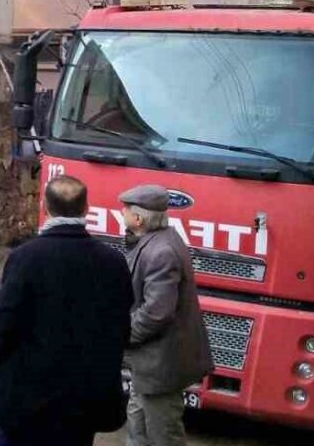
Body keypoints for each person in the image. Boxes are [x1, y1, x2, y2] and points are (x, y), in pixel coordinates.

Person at [0, 175, 132, 445]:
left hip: (26, 399)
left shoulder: (25, 257)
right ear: (86, 208)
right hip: (82, 402)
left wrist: (9, 373)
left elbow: (0, 329)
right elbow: (121, 328)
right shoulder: (112, 261)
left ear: (45, 206)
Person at [121, 184, 212, 446]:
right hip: (149, 367)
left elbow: (156, 313)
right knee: (138, 429)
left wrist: (121, 334)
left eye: (125, 211)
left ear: (138, 218)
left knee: (163, 435)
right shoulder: (157, 240)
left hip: (160, 366)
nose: (122, 215)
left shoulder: (161, 251)